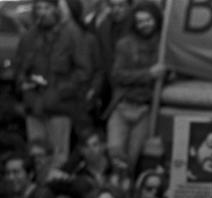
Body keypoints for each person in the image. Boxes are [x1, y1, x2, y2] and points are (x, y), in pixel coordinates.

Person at [13, 0, 92, 168]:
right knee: (36, 157)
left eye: (47, 8)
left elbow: (84, 71)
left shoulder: (72, 34)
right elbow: (19, 67)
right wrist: (24, 84)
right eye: (39, 8)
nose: (42, 12)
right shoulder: (29, 36)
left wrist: (59, 91)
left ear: (56, 9)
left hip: (59, 108)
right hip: (34, 106)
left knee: (58, 158)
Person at [106, 0, 164, 171]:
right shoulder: (125, 44)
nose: (144, 25)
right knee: (115, 152)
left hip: (146, 108)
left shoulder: (163, 45)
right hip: (123, 105)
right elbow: (117, 75)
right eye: (140, 21)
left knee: (132, 158)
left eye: (148, 20)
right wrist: (148, 74)